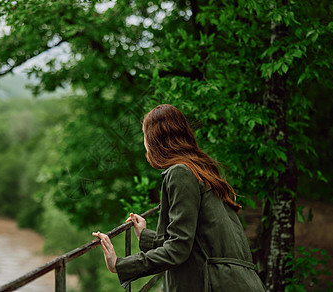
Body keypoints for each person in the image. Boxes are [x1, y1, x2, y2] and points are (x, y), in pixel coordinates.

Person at [92, 104, 266, 291]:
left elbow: (179, 249)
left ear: (154, 139)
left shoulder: (180, 173)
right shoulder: (199, 170)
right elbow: (194, 244)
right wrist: (145, 237)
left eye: (145, 136)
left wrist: (119, 265)